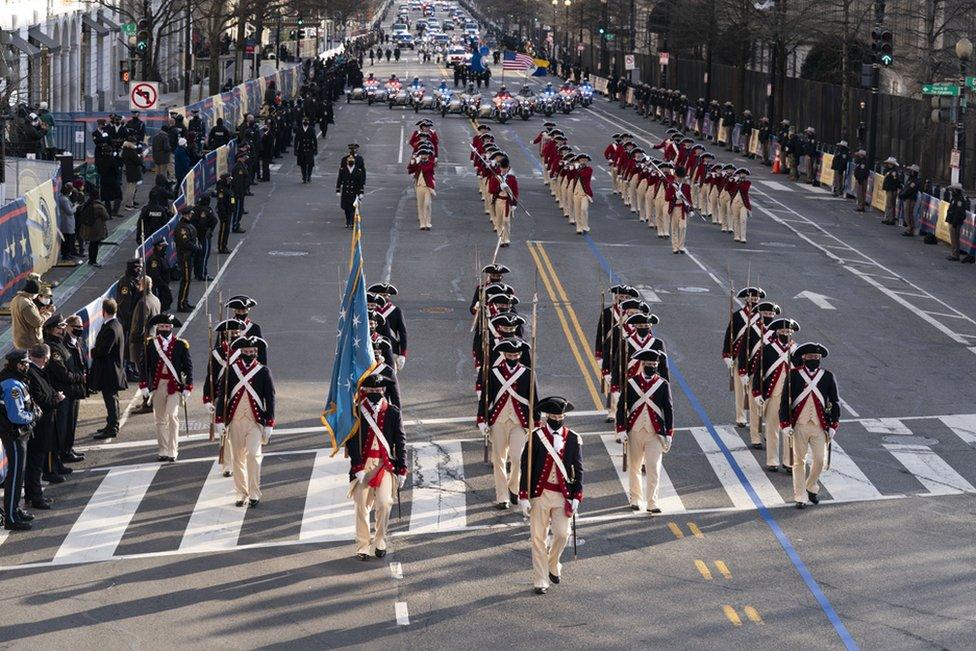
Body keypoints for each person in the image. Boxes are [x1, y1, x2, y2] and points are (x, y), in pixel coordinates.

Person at [518, 396, 583, 595]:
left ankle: (553, 562)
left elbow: (578, 469)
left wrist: (576, 496)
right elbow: (526, 467)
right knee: (538, 538)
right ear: (547, 416)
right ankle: (540, 579)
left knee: (563, 534)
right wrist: (523, 496)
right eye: (554, 415)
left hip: (562, 495)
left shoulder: (573, 438)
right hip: (540, 493)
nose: (558, 418)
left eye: (561, 415)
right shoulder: (535, 437)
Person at [348, 373, 408, 561]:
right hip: (363, 466)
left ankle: (380, 540)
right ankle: (363, 545)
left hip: (385, 465)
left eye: (378, 390)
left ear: (383, 391)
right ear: (364, 391)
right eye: (371, 390)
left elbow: (401, 441)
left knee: (384, 503)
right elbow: (350, 440)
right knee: (361, 506)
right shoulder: (357, 412)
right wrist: (356, 465)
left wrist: (402, 468)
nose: (375, 393)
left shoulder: (392, 412)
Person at [477, 338, 538, 509]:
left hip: (519, 422)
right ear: (504, 355)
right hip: (498, 420)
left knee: (518, 458)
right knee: (499, 459)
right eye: (510, 354)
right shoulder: (493, 372)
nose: (513, 357)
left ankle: (514, 487)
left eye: (516, 354)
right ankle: (502, 496)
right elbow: (486, 398)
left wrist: (537, 421)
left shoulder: (528, 373)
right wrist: (482, 418)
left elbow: (535, 399)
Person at [214, 336, 275, 507]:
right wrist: (219, 419)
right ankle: (241, 493)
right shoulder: (231, 370)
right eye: (246, 351)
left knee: (254, 457)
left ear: (256, 352)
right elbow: (223, 396)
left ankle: (254, 493)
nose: (249, 354)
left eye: (252, 352)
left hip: (255, 422)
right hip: (235, 420)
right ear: (241, 352)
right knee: (237, 458)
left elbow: (270, 399)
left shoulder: (263, 371)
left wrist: (270, 422)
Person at [778, 342, 840, 509]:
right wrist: (785, 423)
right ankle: (800, 496)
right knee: (798, 461)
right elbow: (785, 402)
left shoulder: (827, 376)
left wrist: (833, 425)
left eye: (817, 357)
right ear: (803, 358)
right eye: (811, 357)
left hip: (819, 426)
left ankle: (811, 486)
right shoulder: (793, 375)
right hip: (799, 424)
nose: (814, 359)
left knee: (820, 460)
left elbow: (835, 401)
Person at [615, 349, 673, 513]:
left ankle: (652, 502)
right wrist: (621, 429)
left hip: (654, 432)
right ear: (642, 365)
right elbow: (622, 407)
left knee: (653, 468)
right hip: (634, 430)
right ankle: (635, 498)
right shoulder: (631, 382)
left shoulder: (663, 384)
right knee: (634, 466)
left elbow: (668, 410)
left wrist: (669, 433)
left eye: (654, 364)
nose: (652, 367)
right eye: (648, 364)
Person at [139, 314, 192, 462]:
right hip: (158, 385)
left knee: (172, 415)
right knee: (160, 419)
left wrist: (188, 387)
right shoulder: (150, 344)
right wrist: (143, 384)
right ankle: (163, 449)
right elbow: (144, 366)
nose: (165, 329)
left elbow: (188, 367)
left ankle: (172, 450)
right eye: (162, 326)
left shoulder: (181, 345)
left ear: (172, 328)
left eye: (167, 326)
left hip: (174, 386)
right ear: (158, 328)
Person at [752, 317, 799, 472]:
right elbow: (759, 373)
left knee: (789, 429)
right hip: (774, 394)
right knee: (772, 428)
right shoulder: (767, 349)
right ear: (777, 332)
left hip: (791, 397)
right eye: (784, 331)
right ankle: (772, 460)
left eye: (789, 331)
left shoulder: (797, 352)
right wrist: (757, 392)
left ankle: (789, 462)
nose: (786, 333)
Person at [42, 314, 85, 480]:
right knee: (58, 430)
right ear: (52, 330)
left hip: (68, 392)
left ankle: (59, 461)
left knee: (65, 428)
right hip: (60, 392)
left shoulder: (60, 344)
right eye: (59, 327)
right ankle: (52, 466)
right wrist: (78, 377)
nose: (62, 330)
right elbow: (62, 373)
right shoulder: (52, 348)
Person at [0, 349, 37, 530]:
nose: (27, 366)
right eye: (25, 363)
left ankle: (14, 509)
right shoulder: (12, 386)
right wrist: (33, 415)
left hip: (17, 435)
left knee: (18, 475)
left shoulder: (14, 381)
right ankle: (11, 518)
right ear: (18, 364)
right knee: (14, 477)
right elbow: (16, 415)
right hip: (14, 435)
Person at [23, 344, 61, 508]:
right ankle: (35, 497)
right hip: (38, 426)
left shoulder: (37, 372)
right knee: (35, 463)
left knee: (35, 462)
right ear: (44, 357)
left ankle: (33, 495)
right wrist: (56, 400)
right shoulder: (33, 373)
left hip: (42, 424)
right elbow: (39, 399)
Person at [723, 286, 765, 427]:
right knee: (740, 389)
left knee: (757, 389)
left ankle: (757, 418)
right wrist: (727, 355)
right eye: (751, 298)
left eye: (756, 299)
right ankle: (741, 416)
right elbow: (730, 336)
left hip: (756, 358)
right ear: (746, 299)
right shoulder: (738, 316)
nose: (754, 300)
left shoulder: (762, 317)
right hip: (738, 357)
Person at [91, 299, 128, 440]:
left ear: (103, 311)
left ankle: (112, 426)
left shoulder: (111, 328)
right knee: (112, 399)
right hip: (112, 369)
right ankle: (111, 424)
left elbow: (103, 350)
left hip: (109, 371)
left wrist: (93, 352)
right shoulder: (115, 325)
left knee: (111, 400)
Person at [129, 275, 160, 413]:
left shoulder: (143, 302)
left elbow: (139, 326)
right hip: (152, 339)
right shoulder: (156, 300)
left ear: (142, 285)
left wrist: (132, 337)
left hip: (142, 342)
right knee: (149, 373)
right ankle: (148, 401)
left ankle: (147, 403)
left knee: (144, 374)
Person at [11, 278, 53, 350]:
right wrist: (49, 312)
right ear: (34, 293)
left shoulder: (16, 299)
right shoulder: (27, 304)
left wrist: (39, 314)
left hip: (20, 339)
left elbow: (26, 317)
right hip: (29, 342)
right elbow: (37, 322)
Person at [173, 208, 200, 312]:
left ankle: (185, 301)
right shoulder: (182, 228)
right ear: (186, 214)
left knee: (187, 281)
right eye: (190, 214)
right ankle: (181, 304)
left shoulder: (188, 225)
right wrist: (196, 248)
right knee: (186, 280)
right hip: (185, 257)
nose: (191, 215)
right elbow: (185, 243)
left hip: (189, 256)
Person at [488, 155, 518, 247]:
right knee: (499, 221)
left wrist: (514, 203)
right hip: (499, 201)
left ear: (508, 168)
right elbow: (491, 190)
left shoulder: (512, 178)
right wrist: (499, 188)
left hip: (507, 202)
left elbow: (515, 192)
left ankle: (507, 239)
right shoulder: (496, 177)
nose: (504, 170)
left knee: (506, 221)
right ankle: (501, 240)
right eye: (502, 168)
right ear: (500, 167)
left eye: (506, 168)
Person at [78, 189, 110, 267]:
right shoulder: (98, 206)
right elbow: (106, 216)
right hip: (97, 228)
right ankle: (93, 261)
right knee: (95, 245)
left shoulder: (88, 204)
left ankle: (91, 260)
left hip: (88, 227)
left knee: (92, 244)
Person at [407, 146, 436, 231]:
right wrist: (412, 162)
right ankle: (422, 224)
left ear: (427, 155)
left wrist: (418, 162)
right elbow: (410, 170)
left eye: (425, 154)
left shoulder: (431, 163)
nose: (423, 155)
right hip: (419, 186)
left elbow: (425, 169)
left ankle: (428, 222)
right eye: (422, 154)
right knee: (420, 205)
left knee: (427, 205)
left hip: (427, 186)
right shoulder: (418, 163)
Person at [667, 166, 693, 254]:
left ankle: (681, 246)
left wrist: (691, 209)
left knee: (683, 227)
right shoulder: (671, 186)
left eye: (682, 177)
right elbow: (667, 198)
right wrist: (675, 196)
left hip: (683, 209)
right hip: (674, 208)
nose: (680, 179)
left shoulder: (686, 187)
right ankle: (675, 247)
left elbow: (689, 199)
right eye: (679, 177)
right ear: (675, 176)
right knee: (674, 228)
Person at [337, 153, 366, 228]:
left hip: (354, 192)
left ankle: (352, 222)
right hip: (346, 192)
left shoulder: (358, 171)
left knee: (353, 208)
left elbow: (360, 183)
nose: (350, 163)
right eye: (349, 161)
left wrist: (361, 192)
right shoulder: (343, 170)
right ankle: (348, 221)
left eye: (352, 161)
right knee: (346, 209)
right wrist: (338, 190)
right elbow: (339, 180)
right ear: (347, 162)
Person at [945, 183, 971, 261]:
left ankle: (955, 255)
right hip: (952, 221)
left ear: (956, 190)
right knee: (953, 238)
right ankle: (954, 253)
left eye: (953, 190)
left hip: (955, 222)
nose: (951, 191)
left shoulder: (959, 200)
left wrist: (955, 222)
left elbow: (958, 212)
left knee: (955, 238)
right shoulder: (954, 198)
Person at [147, 238, 174, 310]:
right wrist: (163, 285)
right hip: (158, 287)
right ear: (158, 247)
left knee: (167, 301)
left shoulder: (162, 257)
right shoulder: (155, 260)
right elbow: (154, 275)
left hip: (163, 285)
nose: (164, 248)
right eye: (163, 246)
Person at [729, 168, 752, 244]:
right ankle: (737, 235)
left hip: (744, 204)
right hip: (735, 202)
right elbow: (727, 188)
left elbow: (744, 189)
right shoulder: (735, 182)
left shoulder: (747, 182)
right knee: (735, 219)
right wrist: (730, 181)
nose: (742, 175)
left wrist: (739, 182)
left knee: (743, 219)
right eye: (741, 174)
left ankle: (743, 236)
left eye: (744, 174)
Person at [899, 164, 921, 236]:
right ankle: (909, 228)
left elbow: (909, 190)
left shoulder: (915, 181)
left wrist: (903, 195)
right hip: (907, 198)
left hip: (910, 199)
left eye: (911, 170)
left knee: (908, 214)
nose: (909, 171)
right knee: (907, 214)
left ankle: (910, 229)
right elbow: (906, 188)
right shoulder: (910, 179)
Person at [295, 117, 318, 183]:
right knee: (303, 164)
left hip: (309, 149)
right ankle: (304, 177)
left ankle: (309, 176)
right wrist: (295, 149)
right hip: (302, 149)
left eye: (306, 121)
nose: (305, 123)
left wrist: (315, 149)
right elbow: (296, 140)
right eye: (304, 121)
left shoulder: (311, 129)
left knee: (310, 164)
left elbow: (314, 140)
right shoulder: (299, 129)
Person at [880, 157, 901, 225]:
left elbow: (896, 181)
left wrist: (893, 188)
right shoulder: (889, 171)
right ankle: (887, 218)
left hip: (891, 190)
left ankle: (891, 219)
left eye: (888, 163)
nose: (887, 164)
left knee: (891, 205)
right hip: (889, 189)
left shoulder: (893, 172)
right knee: (888, 204)